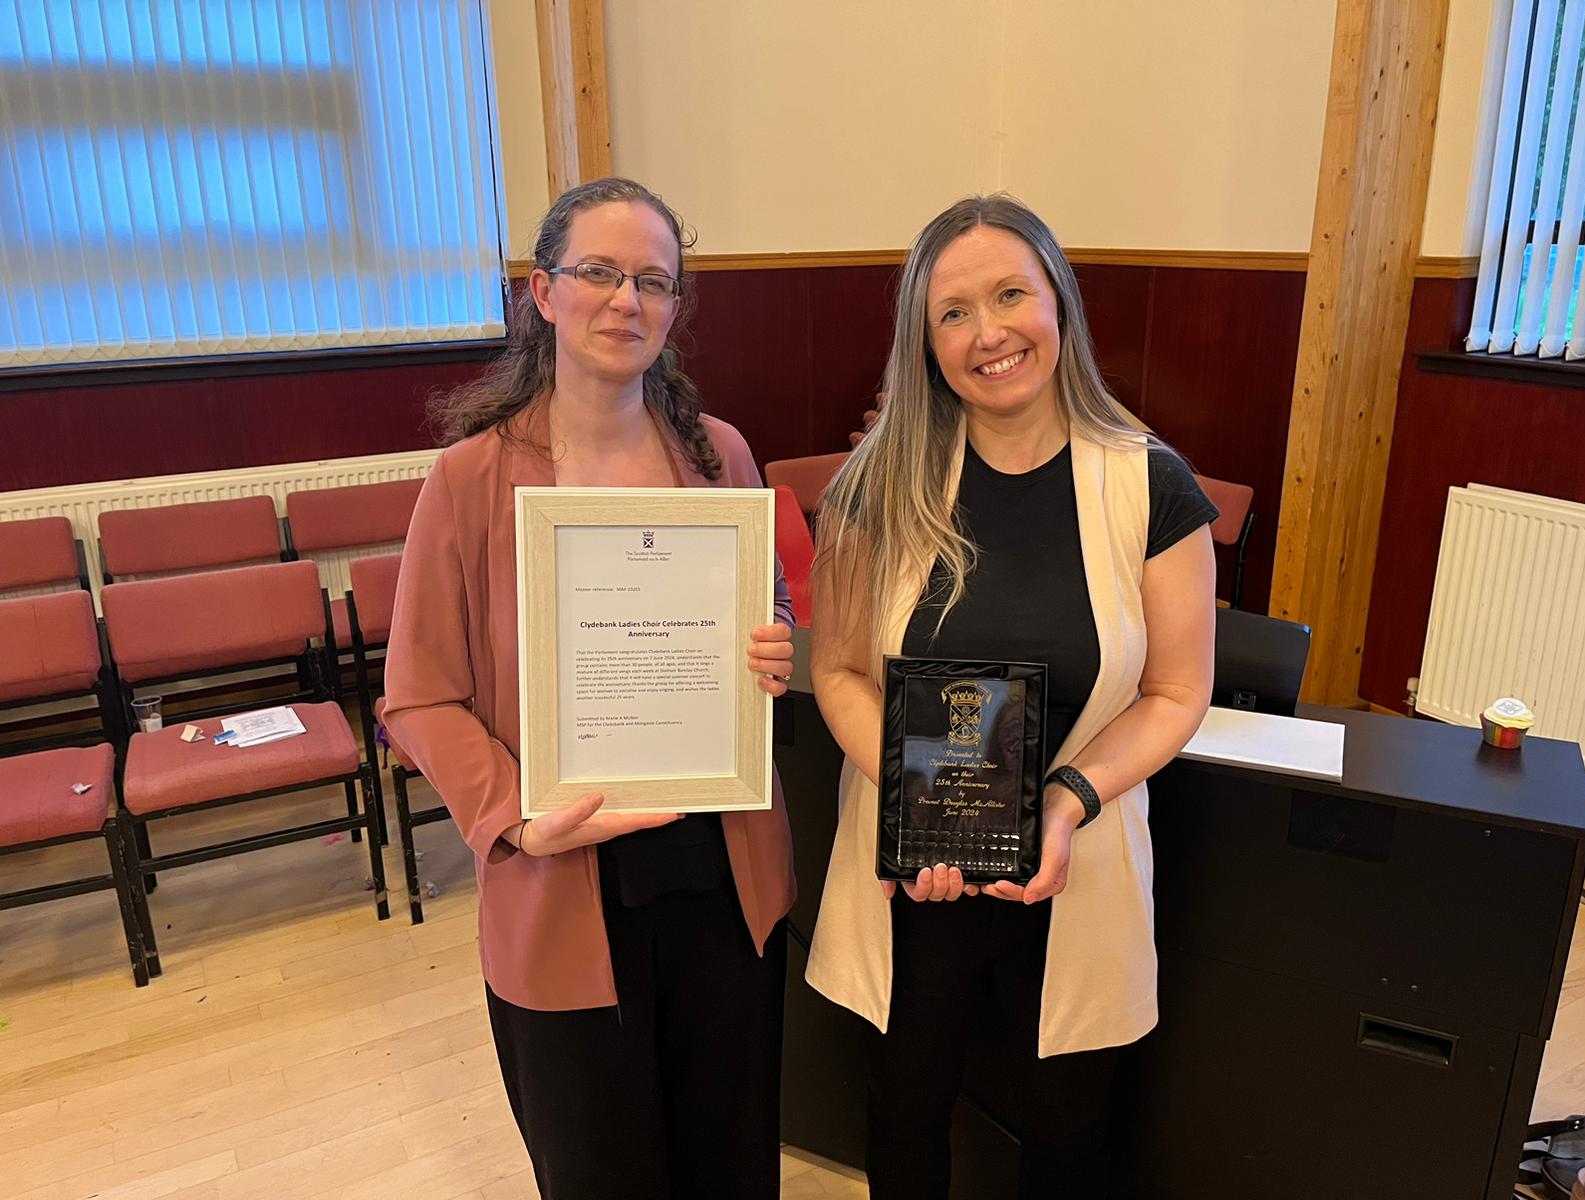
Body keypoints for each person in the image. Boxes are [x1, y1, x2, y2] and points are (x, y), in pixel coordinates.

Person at [382, 177, 797, 1200]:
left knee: (731, 1167)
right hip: (565, 881)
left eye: (653, 281)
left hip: (721, 879)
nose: (627, 301)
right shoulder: (471, 480)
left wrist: (774, 645)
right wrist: (519, 814)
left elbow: (769, 615)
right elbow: (417, 697)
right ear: (544, 293)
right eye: (599, 273)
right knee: (600, 1172)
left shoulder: (720, 456)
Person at [804, 194, 1219, 1198]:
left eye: (1008, 296)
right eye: (953, 312)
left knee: (1070, 1128)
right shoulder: (873, 486)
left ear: (1058, 307)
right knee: (903, 1112)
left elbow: (1174, 690)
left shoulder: (1149, 484)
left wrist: (1065, 799)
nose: (987, 332)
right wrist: (921, 807)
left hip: (1074, 856)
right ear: (925, 339)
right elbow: (840, 672)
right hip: (913, 876)